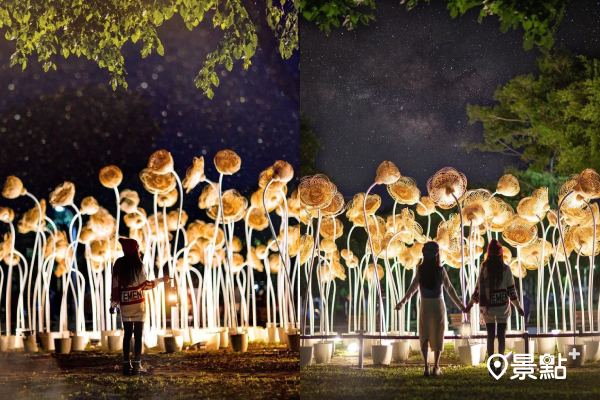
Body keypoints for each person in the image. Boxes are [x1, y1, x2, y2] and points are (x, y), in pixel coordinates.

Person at [395, 242, 467, 377]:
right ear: (436, 255)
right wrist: (461, 306)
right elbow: (450, 290)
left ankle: (426, 367)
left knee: (424, 334)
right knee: (438, 334)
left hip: (424, 305)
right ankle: (436, 367)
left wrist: (402, 303)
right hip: (438, 305)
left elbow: (412, 289)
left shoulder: (421, 270)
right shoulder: (440, 271)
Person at [110, 238, 170, 376]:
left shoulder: (118, 264)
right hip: (138, 304)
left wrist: (113, 304)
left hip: (125, 304)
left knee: (127, 335)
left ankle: (126, 364)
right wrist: (161, 280)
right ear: (135, 249)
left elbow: (114, 286)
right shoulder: (139, 265)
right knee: (138, 335)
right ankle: (137, 365)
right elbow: (146, 285)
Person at [465, 239, 524, 376]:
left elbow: (478, 290)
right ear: (501, 255)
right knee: (501, 336)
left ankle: (491, 364)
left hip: (489, 309)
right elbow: (511, 291)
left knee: (490, 336)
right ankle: (500, 363)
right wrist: (518, 307)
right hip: (503, 307)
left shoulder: (484, 268)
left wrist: (470, 305)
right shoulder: (506, 269)